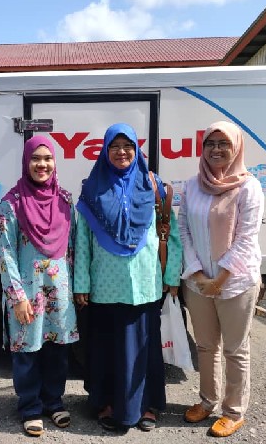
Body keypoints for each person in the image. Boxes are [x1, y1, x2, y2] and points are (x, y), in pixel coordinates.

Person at [73, 123, 182, 433]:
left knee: (144, 352)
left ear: (137, 151)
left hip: (145, 285)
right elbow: (82, 241)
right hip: (105, 287)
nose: (121, 152)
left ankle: (146, 406)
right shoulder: (92, 189)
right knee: (107, 350)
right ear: (105, 151)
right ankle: (108, 403)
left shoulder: (153, 187)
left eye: (128, 146)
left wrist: (171, 276)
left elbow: (169, 234)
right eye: (115, 146)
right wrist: (81, 284)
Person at [178, 120, 264, 438]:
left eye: (223, 143)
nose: (216, 149)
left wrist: (220, 278)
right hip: (198, 281)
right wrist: (198, 273)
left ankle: (234, 411)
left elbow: (246, 238)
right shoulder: (192, 186)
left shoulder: (249, 187)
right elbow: (183, 230)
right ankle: (207, 401)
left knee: (235, 349)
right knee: (205, 346)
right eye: (210, 144)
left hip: (236, 282)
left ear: (236, 147)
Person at [0, 136, 78, 437]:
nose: (42, 164)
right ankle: (30, 407)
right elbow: (5, 252)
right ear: (25, 162)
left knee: (57, 350)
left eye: (47, 158)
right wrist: (17, 297)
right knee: (27, 351)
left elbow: (73, 248)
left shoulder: (65, 200)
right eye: (35, 159)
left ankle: (53, 402)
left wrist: (77, 288)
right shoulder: (12, 203)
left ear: (55, 162)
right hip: (27, 292)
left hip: (59, 290)